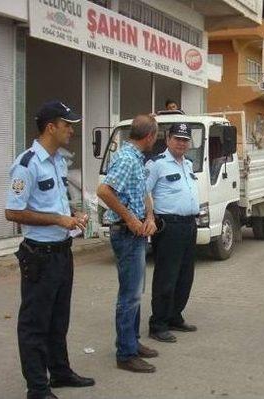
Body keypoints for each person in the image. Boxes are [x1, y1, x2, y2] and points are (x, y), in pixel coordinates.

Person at [5, 101, 94, 399]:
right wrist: (58, 219)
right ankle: (37, 388)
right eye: (67, 124)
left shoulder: (57, 160)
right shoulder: (27, 163)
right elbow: (13, 212)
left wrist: (72, 215)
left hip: (61, 251)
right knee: (34, 324)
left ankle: (60, 371)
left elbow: (54, 202)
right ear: (50, 127)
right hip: (39, 256)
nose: (71, 129)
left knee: (59, 317)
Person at [96, 114, 159, 372]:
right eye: (156, 135)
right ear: (149, 136)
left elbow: (143, 192)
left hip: (137, 233)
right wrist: (132, 219)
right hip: (126, 234)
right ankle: (125, 354)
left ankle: (132, 342)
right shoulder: (125, 158)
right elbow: (104, 191)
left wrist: (150, 217)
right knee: (129, 296)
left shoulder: (136, 158)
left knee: (135, 293)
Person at [146, 123, 199, 343]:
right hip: (169, 226)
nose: (181, 143)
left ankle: (174, 316)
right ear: (167, 139)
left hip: (189, 225)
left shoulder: (188, 164)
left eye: (185, 140)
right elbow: (143, 191)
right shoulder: (156, 164)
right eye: (177, 138)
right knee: (166, 277)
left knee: (185, 276)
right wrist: (149, 218)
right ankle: (158, 324)